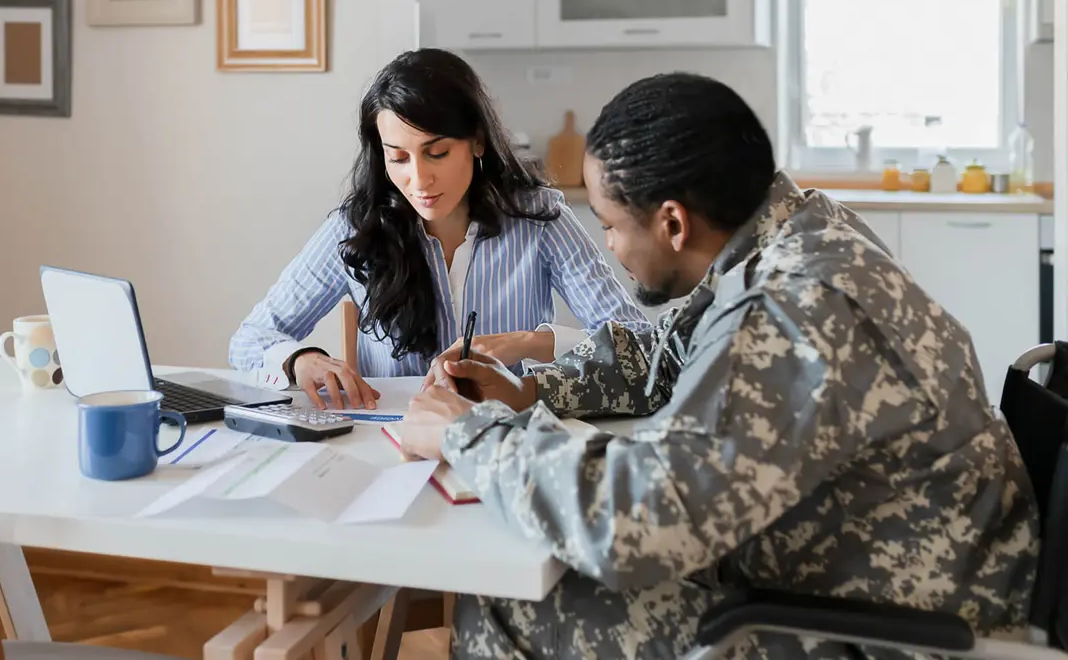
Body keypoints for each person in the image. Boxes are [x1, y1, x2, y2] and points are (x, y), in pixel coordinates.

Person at [397, 72, 1039, 658]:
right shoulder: (796, 232)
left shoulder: (793, 313)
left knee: (512, 609)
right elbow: (665, 355)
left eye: (612, 225)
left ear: (673, 223)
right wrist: (528, 391)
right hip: (865, 573)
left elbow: (638, 523)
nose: (610, 246)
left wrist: (465, 434)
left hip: (890, 627)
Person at [229, 48, 649, 410]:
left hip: (509, 436)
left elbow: (638, 344)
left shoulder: (539, 218)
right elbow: (250, 340)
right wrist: (301, 358)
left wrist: (524, 343)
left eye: (438, 153)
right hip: (395, 445)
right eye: (399, 158)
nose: (419, 180)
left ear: (478, 142)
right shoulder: (356, 226)